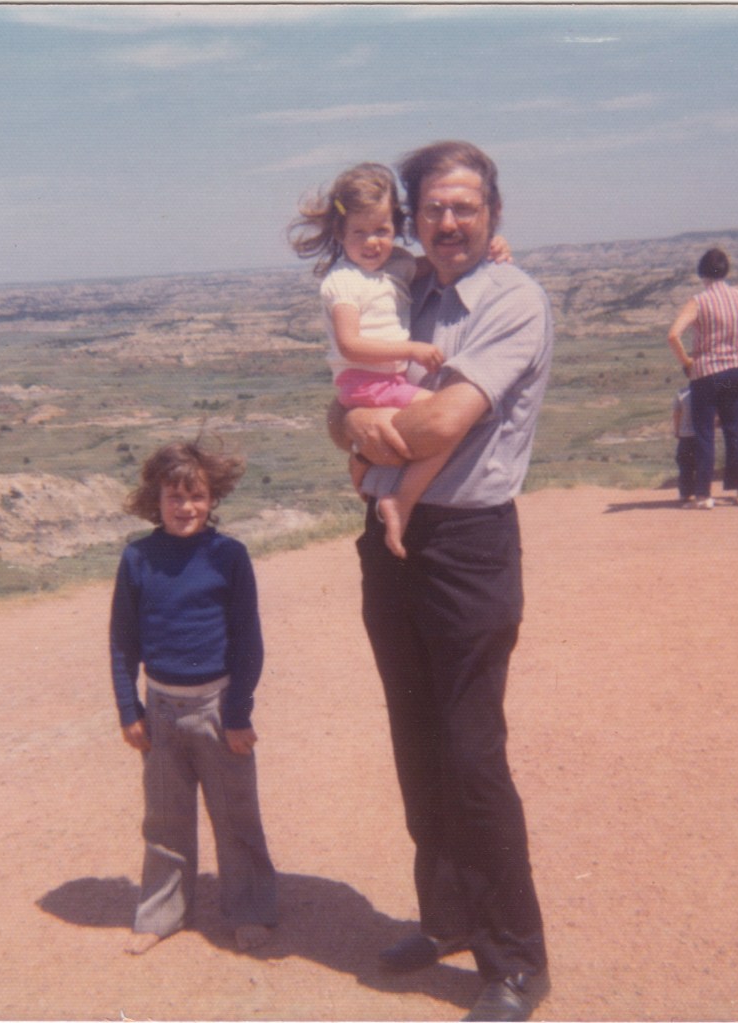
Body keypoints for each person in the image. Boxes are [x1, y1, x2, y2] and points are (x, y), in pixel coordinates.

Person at [328, 140, 552, 1022]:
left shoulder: (513, 299)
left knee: (469, 753)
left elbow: (438, 424)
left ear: (493, 211)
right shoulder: (403, 288)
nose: (448, 221)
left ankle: (515, 961)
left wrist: (363, 427)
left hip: (466, 547)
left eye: (465, 206)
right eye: (433, 208)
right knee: (416, 743)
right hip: (390, 543)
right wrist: (353, 418)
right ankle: (446, 914)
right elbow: (339, 404)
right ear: (413, 215)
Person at [289, 161, 511, 558]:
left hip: (382, 381)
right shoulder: (343, 282)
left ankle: (363, 464)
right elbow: (350, 344)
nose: (372, 242)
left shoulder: (395, 266)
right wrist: (410, 350)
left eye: (382, 230)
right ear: (340, 233)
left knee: (419, 427)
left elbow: (442, 262)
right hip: (364, 379)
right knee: (447, 418)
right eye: (359, 232)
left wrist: (490, 247)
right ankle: (402, 497)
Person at [108, 439, 277, 956]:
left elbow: (249, 641)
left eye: (196, 496)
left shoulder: (229, 556)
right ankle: (162, 911)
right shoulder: (138, 558)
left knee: (236, 817)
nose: (185, 508)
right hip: (158, 710)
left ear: (213, 498)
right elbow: (122, 640)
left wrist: (238, 713)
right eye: (174, 497)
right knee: (164, 820)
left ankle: (250, 911)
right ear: (153, 501)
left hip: (217, 709)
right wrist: (128, 709)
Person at [667, 248, 738, 508]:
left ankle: (704, 495)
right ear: (726, 270)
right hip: (736, 373)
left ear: (702, 272)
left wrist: (687, 362)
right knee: (734, 431)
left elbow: (673, 335)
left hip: (707, 375)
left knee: (705, 434)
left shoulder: (699, 301)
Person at [672, 384, 697, 504]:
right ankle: (702, 491)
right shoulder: (707, 389)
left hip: (685, 435)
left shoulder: (682, 392)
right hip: (701, 435)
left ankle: (685, 493)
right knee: (701, 464)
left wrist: (676, 430)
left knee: (685, 465)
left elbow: (676, 413)